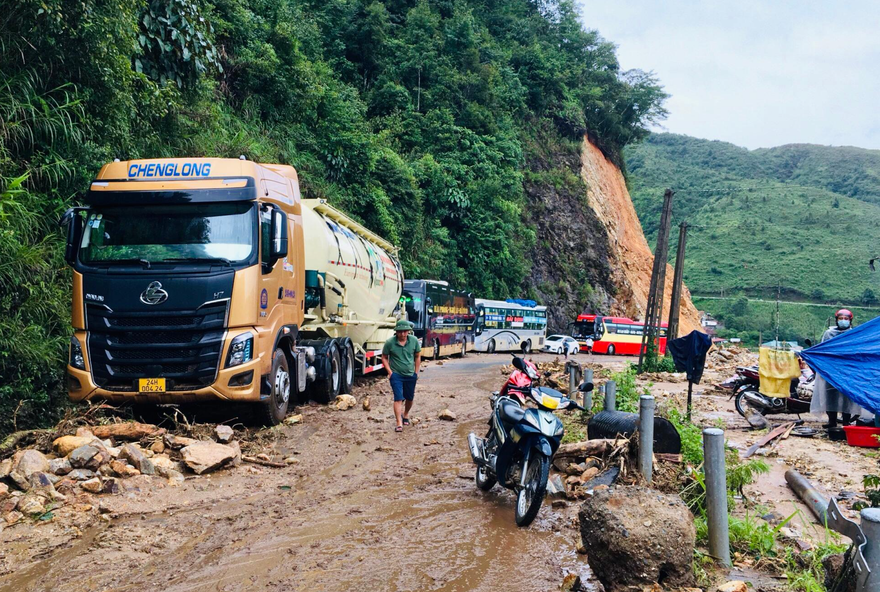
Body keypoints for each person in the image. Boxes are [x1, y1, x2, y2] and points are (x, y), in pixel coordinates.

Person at [810, 309, 861, 428]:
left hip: (848, 371)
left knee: (847, 397)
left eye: (846, 319)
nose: (843, 321)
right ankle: (832, 421)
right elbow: (823, 349)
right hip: (831, 370)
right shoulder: (829, 334)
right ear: (836, 320)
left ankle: (846, 422)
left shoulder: (854, 334)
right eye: (841, 319)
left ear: (850, 321)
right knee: (831, 396)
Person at [382, 319, 422, 433]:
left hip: (410, 374)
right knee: (398, 398)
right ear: (396, 332)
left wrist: (416, 372)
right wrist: (390, 372)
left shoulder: (414, 341)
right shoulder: (390, 342)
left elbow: (417, 356)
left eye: (405, 331)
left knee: (409, 398)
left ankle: (406, 414)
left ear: (408, 331)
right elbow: (384, 357)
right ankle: (399, 422)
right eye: (400, 332)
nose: (403, 334)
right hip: (396, 375)